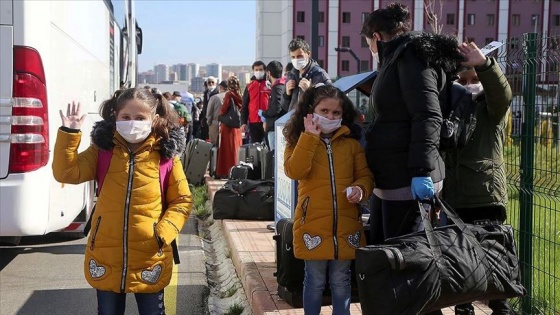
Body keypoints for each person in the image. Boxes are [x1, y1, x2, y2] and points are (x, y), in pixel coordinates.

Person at [52, 88, 192, 314]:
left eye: (140, 118)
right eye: (126, 117)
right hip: (106, 256)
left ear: (154, 119)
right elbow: (66, 173)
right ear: (115, 116)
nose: (132, 123)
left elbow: (182, 200)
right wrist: (70, 133)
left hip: (150, 257)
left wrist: (162, 233)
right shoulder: (102, 151)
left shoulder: (166, 156)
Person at [361, 3, 464, 244]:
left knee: (404, 259)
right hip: (392, 177)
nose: (370, 49)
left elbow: (427, 114)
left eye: (368, 44)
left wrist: (421, 171)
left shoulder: (411, 57)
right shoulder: (396, 58)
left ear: (376, 37)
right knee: (384, 255)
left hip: (407, 178)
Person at [283, 85, 374, 315]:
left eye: (336, 113)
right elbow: (295, 170)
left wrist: (360, 189)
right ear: (310, 112)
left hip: (345, 225)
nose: (330, 117)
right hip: (312, 225)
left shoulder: (351, 144)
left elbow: (365, 176)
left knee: (342, 281)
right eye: (324, 111)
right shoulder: (297, 141)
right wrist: (310, 138)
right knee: (313, 281)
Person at [442, 42, 513, 315]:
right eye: (464, 79)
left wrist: (484, 65)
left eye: (475, 80)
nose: (470, 84)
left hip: (486, 196)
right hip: (455, 198)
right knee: (462, 261)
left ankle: (500, 306)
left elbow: (502, 93)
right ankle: (464, 307)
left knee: (494, 259)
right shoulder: (450, 108)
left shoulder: (490, 109)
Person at [283, 38, 332, 111]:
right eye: (293, 57)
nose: (296, 60)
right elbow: (284, 107)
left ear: (308, 54)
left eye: (299, 56)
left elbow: (330, 103)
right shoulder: (291, 75)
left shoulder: (320, 74)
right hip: (294, 120)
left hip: (312, 121)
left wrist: (310, 91)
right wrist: (287, 94)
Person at [216, 76, 243, 178]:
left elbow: (223, 110)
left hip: (227, 126)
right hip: (237, 126)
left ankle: (227, 171)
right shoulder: (240, 95)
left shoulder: (229, 95)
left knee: (227, 149)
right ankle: (237, 170)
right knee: (236, 148)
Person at [241, 60, 271, 144]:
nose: (258, 72)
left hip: (267, 121)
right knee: (254, 147)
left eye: (260, 69)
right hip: (253, 122)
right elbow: (244, 105)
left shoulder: (269, 85)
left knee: (269, 146)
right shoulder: (249, 86)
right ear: (253, 71)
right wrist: (243, 122)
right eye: (256, 70)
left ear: (265, 71)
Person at [261, 60, 287, 151]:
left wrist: (263, 114)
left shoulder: (277, 87)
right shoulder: (281, 86)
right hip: (275, 126)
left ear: (269, 73)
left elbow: (276, 109)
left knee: (274, 154)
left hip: (275, 128)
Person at [207, 80, 228, 145]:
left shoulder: (214, 97)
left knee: (214, 146)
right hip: (229, 125)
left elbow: (209, 113)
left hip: (215, 123)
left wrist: (209, 123)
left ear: (220, 87)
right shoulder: (233, 97)